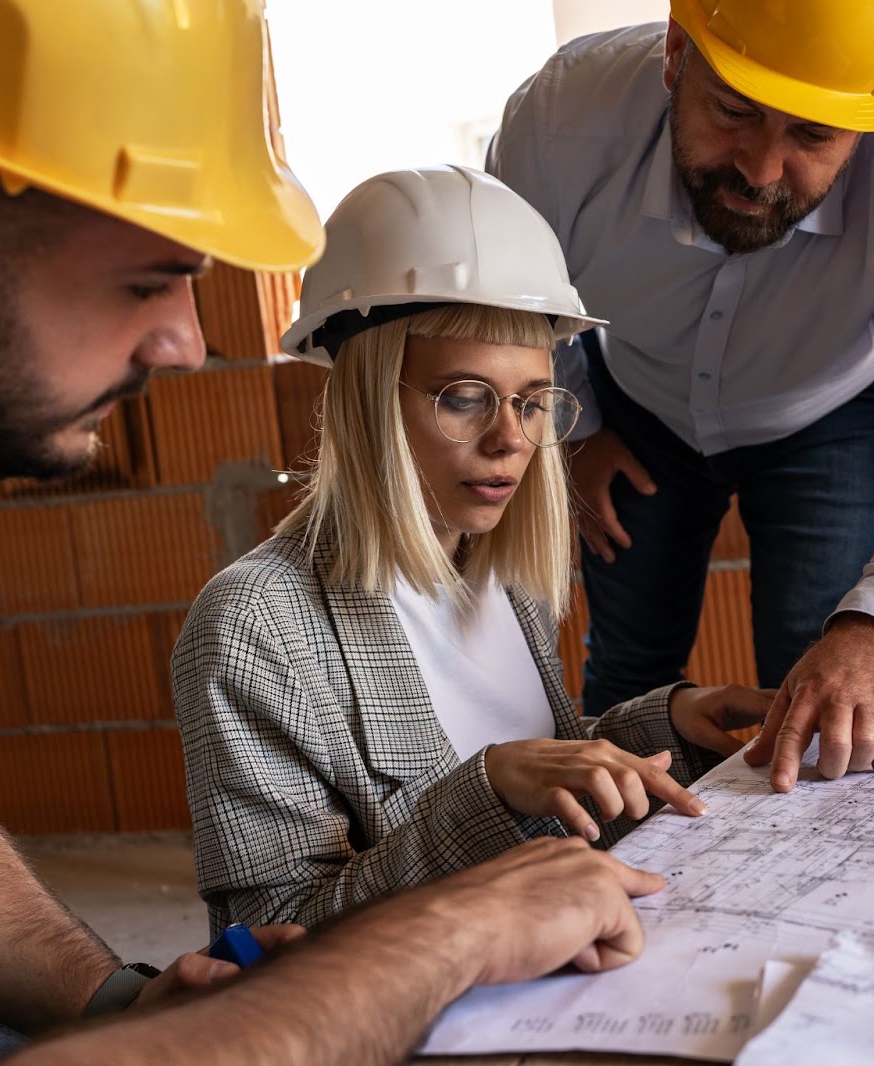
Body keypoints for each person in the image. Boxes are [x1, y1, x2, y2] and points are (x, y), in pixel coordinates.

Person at [0, 4, 669, 1064]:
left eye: (535, 401)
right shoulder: (258, 617)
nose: (185, 344)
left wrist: (120, 1001)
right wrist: (456, 924)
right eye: (146, 280)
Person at [175, 165, 770, 936]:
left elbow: (545, 768)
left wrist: (667, 726)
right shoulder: (255, 626)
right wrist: (483, 790)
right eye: (464, 396)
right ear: (368, 399)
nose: (511, 440)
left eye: (531, 402)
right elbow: (269, 940)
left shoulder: (495, 570)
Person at [488, 0, 874, 793]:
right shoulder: (562, 117)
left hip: (829, 415)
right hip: (634, 405)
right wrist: (573, 424)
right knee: (630, 678)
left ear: (868, 121)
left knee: (817, 690)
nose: (761, 169)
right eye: (734, 112)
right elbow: (509, 297)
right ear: (678, 51)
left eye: (812, 136)